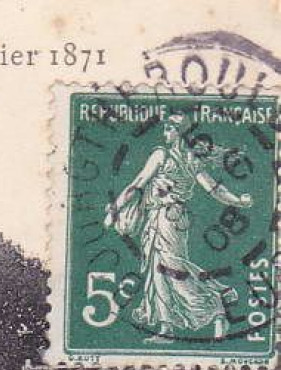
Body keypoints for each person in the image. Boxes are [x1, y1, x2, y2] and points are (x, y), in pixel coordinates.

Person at [105, 110, 253, 342]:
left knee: (170, 269)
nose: (165, 132)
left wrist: (115, 208)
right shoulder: (192, 160)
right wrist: (238, 201)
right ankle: (168, 327)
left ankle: (216, 305)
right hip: (176, 219)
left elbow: (138, 184)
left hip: (164, 218)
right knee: (162, 269)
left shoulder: (161, 155)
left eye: (169, 128)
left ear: (179, 132)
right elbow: (216, 190)